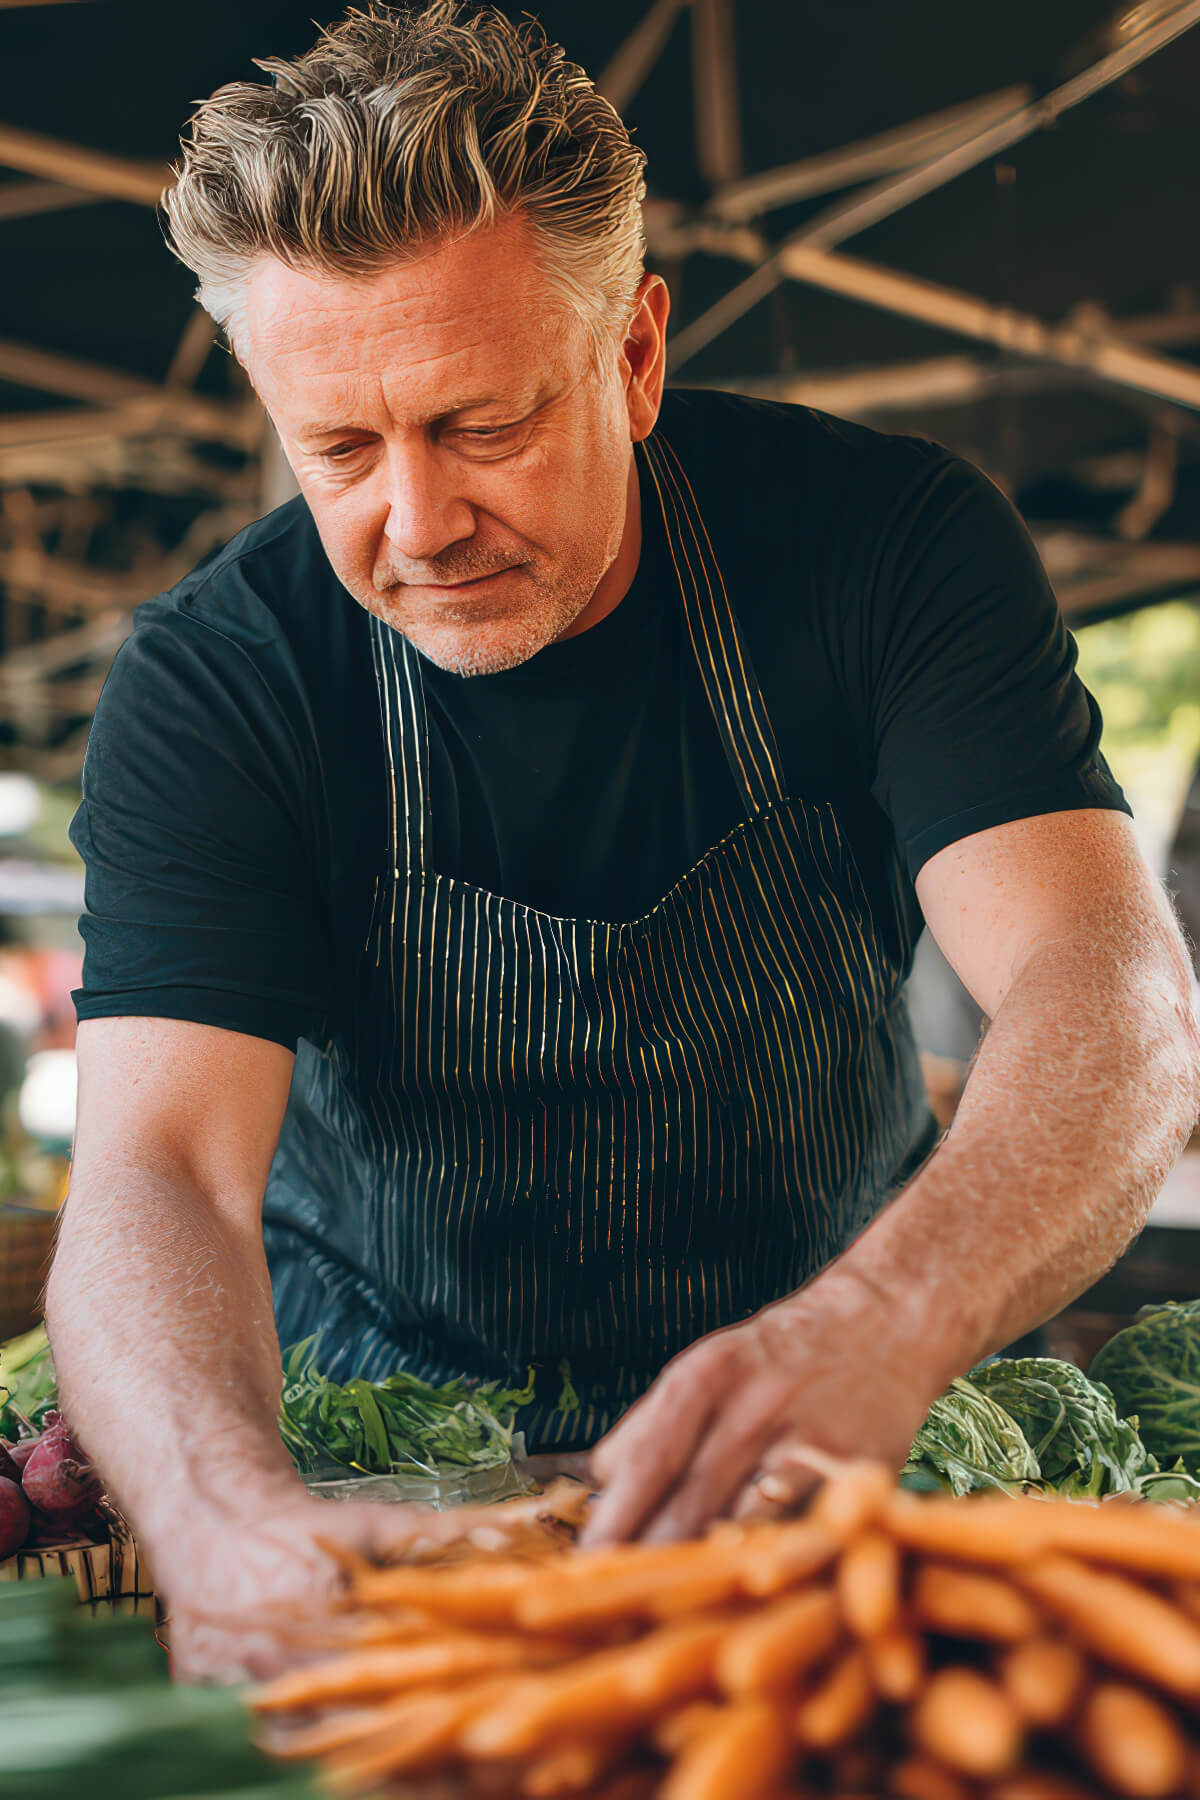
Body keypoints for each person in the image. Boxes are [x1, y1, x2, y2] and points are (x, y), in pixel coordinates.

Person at [48, 0, 1199, 1681]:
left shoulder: (884, 548)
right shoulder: (216, 684)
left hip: (840, 1436)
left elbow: (1106, 988)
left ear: (638, 352)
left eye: (483, 426)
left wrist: (888, 1322)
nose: (418, 523)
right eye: (342, 451)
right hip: (399, 1476)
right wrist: (221, 1512)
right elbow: (159, 1172)